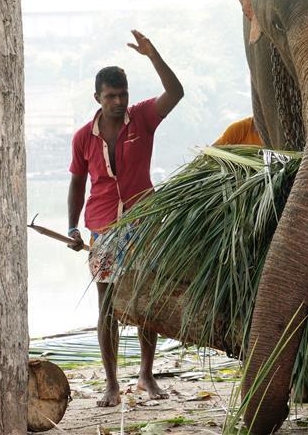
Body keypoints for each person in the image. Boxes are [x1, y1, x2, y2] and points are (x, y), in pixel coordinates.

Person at [66, 29, 183, 407]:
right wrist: (72, 228)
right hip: (102, 228)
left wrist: (153, 55)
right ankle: (112, 384)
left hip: (144, 222)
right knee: (107, 304)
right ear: (97, 98)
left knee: (146, 298)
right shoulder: (84, 137)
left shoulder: (144, 117)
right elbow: (76, 185)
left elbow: (176, 93)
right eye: (110, 96)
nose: (118, 102)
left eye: (122, 95)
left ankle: (146, 375)